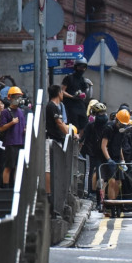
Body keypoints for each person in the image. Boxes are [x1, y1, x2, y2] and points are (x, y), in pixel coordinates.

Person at [45, 85, 72, 216]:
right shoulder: (51, 106)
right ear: (58, 93)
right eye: (62, 92)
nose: (63, 95)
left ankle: (55, 194)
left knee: (56, 168)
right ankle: (49, 195)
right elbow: (60, 123)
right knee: (49, 167)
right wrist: (71, 134)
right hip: (51, 140)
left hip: (57, 141)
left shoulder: (57, 106)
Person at [100, 108, 132, 203]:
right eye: (121, 124)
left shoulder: (121, 131)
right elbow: (103, 146)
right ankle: (111, 204)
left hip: (117, 158)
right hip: (108, 159)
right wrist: (109, 159)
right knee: (112, 182)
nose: (122, 126)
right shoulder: (109, 128)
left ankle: (116, 202)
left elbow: (119, 147)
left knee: (119, 183)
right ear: (117, 120)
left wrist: (122, 161)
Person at [80, 102, 109, 211]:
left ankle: (88, 193)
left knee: (89, 172)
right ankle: (99, 198)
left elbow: (83, 138)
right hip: (100, 152)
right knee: (99, 176)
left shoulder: (91, 124)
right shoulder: (107, 124)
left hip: (92, 151)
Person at [0, 86, 26, 188]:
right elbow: (1, 128)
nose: (18, 99)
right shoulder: (6, 112)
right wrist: (12, 123)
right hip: (11, 143)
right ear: (10, 98)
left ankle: (15, 186)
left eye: (19, 97)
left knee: (18, 167)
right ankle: (5, 187)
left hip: (20, 142)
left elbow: (24, 125)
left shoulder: (21, 112)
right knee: (9, 166)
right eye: (16, 97)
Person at [61, 58, 90, 131]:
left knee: (85, 124)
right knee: (74, 124)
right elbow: (62, 91)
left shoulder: (83, 80)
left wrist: (83, 96)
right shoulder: (69, 78)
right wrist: (72, 96)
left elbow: (85, 92)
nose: (81, 69)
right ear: (76, 67)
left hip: (80, 105)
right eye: (80, 67)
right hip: (70, 105)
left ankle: (80, 140)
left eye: (83, 67)